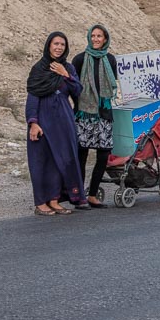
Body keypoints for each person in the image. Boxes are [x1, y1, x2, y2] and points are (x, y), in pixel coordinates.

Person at [26, 31, 87, 215]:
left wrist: (66, 74)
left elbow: (77, 90)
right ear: (49, 45)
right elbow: (33, 95)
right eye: (56, 44)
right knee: (41, 161)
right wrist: (33, 123)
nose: (59, 47)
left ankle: (54, 200)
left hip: (63, 120)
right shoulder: (39, 69)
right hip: (43, 120)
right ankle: (40, 203)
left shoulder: (68, 67)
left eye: (62, 45)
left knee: (61, 160)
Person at [71, 23, 118, 209]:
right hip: (84, 114)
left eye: (99, 36)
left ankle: (92, 194)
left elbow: (113, 84)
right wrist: (81, 105)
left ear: (105, 39)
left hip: (104, 114)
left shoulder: (111, 60)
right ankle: (80, 196)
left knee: (103, 155)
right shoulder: (80, 59)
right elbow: (73, 86)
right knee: (81, 155)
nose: (96, 39)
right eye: (93, 36)